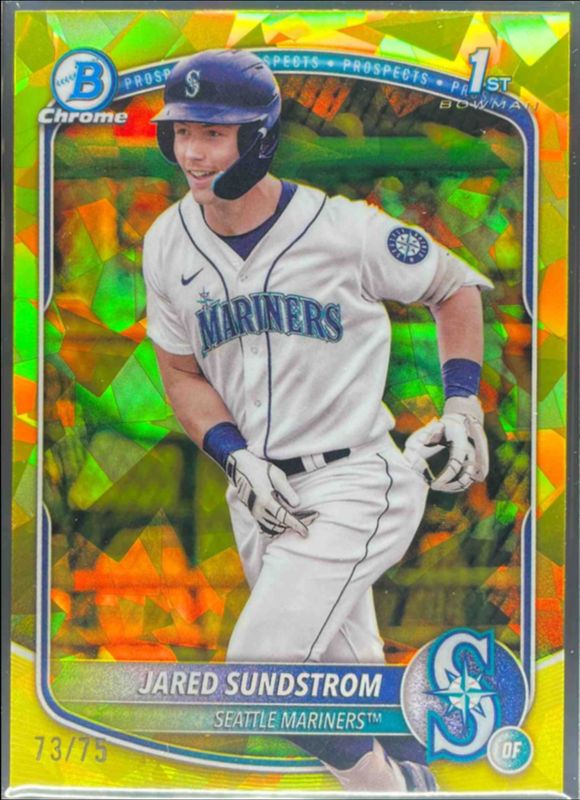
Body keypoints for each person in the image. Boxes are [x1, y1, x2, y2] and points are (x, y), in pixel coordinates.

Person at [143, 48, 491, 792]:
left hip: (355, 480)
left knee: (262, 675)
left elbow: (454, 287)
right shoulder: (167, 242)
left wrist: (462, 402)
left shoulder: (344, 230)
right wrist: (236, 456)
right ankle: (412, 781)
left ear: (259, 137)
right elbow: (180, 373)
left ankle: (392, 787)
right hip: (258, 494)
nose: (194, 153)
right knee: (351, 689)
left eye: (215, 133)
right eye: (182, 131)